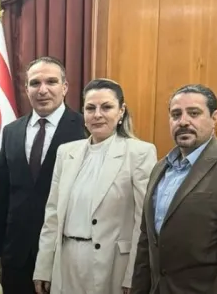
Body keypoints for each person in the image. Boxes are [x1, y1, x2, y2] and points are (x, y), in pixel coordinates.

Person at [131, 84, 217, 294]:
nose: (183, 121)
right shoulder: (160, 168)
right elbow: (147, 241)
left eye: (194, 113)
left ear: (215, 118)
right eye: (176, 114)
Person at [33, 78, 157, 294]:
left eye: (106, 107)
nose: (97, 114)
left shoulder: (139, 153)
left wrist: (134, 275)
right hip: (66, 264)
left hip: (113, 266)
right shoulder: (66, 152)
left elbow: (143, 222)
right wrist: (43, 267)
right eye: (90, 108)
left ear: (121, 111)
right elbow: (52, 215)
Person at [0, 56, 87, 294]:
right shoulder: (12, 131)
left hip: (65, 254)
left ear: (65, 87)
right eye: (35, 83)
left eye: (51, 82)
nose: (42, 90)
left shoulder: (84, 129)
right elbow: (2, 194)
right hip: (16, 256)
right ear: (26, 89)